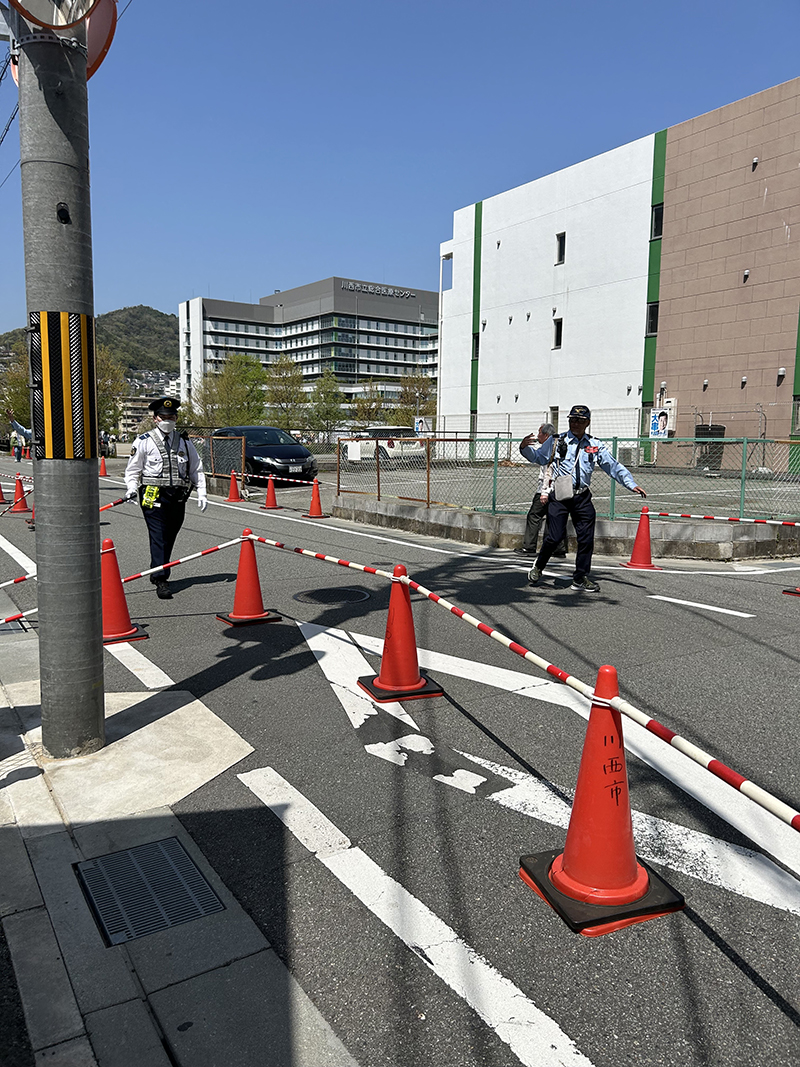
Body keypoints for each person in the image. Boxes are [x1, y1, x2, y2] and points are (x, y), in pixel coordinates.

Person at [519, 404, 646, 593]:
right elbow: (539, 457)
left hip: (582, 496)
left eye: (579, 420)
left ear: (587, 422)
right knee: (553, 537)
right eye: (572, 420)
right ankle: (539, 566)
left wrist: (630, 483)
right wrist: (524, 448)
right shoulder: (556, 441)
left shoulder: (594, 444)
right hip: (560, 495)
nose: (575, 423)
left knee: (586, 539)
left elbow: (612, 465)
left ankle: (580, 577)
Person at [124, 397, 207, 600]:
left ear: (176, 418)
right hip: (152, 495)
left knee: (170, 535)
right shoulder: (143, 441)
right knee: (159, 535)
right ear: (155, 419)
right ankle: (161, 579)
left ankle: (158, 568)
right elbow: (133, 469)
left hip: (177, 496)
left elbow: (196, 467)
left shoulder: (185, 442)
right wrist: (131, 488)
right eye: (164, 417)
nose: (168, 420)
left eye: (171, 417)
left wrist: (202, 491)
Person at [518, 423, 568, 558]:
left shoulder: (549, 449)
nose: (537, 436)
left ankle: (529, 547)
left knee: (534, 515)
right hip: (560, 489)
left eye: (539, 433)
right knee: (555, 517)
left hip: (547, 489)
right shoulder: (560, 445)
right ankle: (558, 548)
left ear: (546, 435)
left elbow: (549, 472)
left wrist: (544, 492)